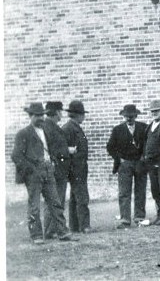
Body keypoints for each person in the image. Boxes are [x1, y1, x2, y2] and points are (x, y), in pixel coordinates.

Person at [11, 102, 76, 244]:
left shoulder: (45, 131)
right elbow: (16, 156)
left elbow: (50, 149)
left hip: (48, 170)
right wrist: (31, 170)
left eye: (42, 115)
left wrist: (52, 162)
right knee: (34, 205)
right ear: (30, 116)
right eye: (37, 115)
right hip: (34, 174)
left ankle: (63, 232)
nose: (40, 118)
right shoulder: (23, 133)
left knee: (55, 203)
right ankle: (36, 235)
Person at [106, 103, 149, 228]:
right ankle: (125, 219)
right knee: (124, 192)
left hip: (140, 163)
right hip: (124, 164)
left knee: (140, 191)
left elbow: (148, 143)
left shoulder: (143, 128)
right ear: (123, 117)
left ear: (136, 116)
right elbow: (110, 147)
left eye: (131, 116)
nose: (129, 119)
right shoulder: (117, 130)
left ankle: (139, 217)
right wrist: (119, 158)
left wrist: (144, 156)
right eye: (126, 116)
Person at [61, 100, 91, 234]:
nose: (83, 117)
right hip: (75, 168)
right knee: (82, 197)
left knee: (75, 197)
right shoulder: (68, 128)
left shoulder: (74, 127)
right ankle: (84, 226)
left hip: (79, 168)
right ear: (77, 115)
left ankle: (75, 226)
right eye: (82, 114)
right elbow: (62, 148)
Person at [42, 101, 70, 240]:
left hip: (59, 167)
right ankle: (49, 230)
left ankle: (51, 229)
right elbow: (51, 148)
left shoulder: (51, 126)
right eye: (60, 111)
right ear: (56, 112)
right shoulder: (48, 127)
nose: (61, 114)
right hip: (56, 168)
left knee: (56, 199)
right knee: (54, 200)